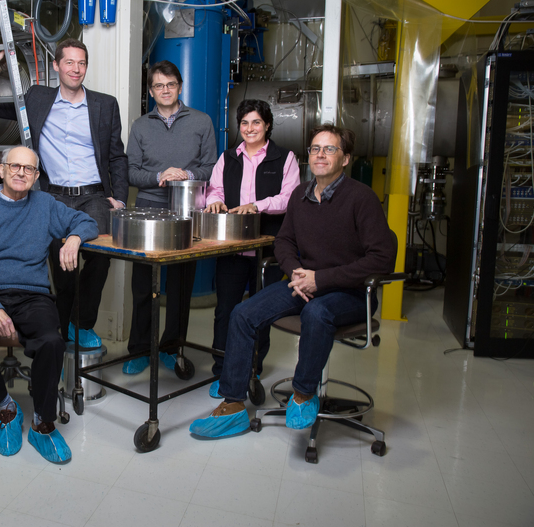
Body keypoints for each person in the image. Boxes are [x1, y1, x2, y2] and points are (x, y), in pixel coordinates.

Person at [190, 124, 396, 438]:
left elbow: (382, 258)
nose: (320, 155)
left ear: (345, 159)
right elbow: (283, 241)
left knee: (317, 313)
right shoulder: (301, 195)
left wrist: (320, 279)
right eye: (315, 149)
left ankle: (302, 394)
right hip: (304, 284)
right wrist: (298, 273)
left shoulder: (361, 198)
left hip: (350, 294)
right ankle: (232, 406)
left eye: (330, 149)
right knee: (243, 314)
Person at [0, 38, 128, 349]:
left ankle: (81, 323)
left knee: (100, 258)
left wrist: (120, 196)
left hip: (94, 195)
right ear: (57, 66)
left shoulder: (105, 104)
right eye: (69, 62)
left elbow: (116, 156)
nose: (76, 69)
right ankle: (58, 336)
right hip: (52, 195)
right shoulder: (37, 98)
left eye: (82, 63)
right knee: (62, 266)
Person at [0, 146, 98, 463]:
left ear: (36, 177)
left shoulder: (45, 205)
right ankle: (6, 408)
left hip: (32, 294)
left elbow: (88, 221)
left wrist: (73, 238)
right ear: (1, 170)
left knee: (51, 342)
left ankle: (41, 423)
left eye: (29, 169)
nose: (21, 173)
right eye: (15, 167)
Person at [123, 60, 216, 374]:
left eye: (171, 84)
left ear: (179, 86)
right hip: (148, 210)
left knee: (179, 286)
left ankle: (171, 346)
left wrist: (185, 174)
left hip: (187, 212)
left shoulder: (202, 121)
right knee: (143, 284)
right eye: (158, 86)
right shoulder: (139, 126)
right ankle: (139, 349)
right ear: (151, 90)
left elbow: (212, 168)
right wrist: (160, 175)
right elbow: (132, 172)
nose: (165, 90)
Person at [203, 99, 300, 396]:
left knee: (261, 312)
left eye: (256, 122)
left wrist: (256, 206)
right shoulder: (228, 157)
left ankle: (252, 368)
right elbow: (214, 189)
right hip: (231, 248)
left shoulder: (285, 158)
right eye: (244, 123)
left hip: (269, 253)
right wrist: (214, 201)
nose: (249, 128)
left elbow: (289, 198)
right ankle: (222, 372)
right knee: (226, 311)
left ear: (267, 125)